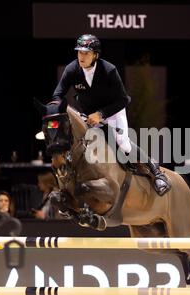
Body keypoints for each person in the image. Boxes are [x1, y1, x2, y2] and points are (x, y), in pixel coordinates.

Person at [47, 34, 170, 196]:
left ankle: (156, 172)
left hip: (113, 110)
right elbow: (57, 95)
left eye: (86, 53)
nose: (81, 56)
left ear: (95, 55)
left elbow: (123, 100)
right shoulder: (72, 69)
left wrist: (101, 114)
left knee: (123, 143)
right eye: (79, 52)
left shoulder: (108, 70)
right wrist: (56, 110)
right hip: (87, 114)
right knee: (78, 141)